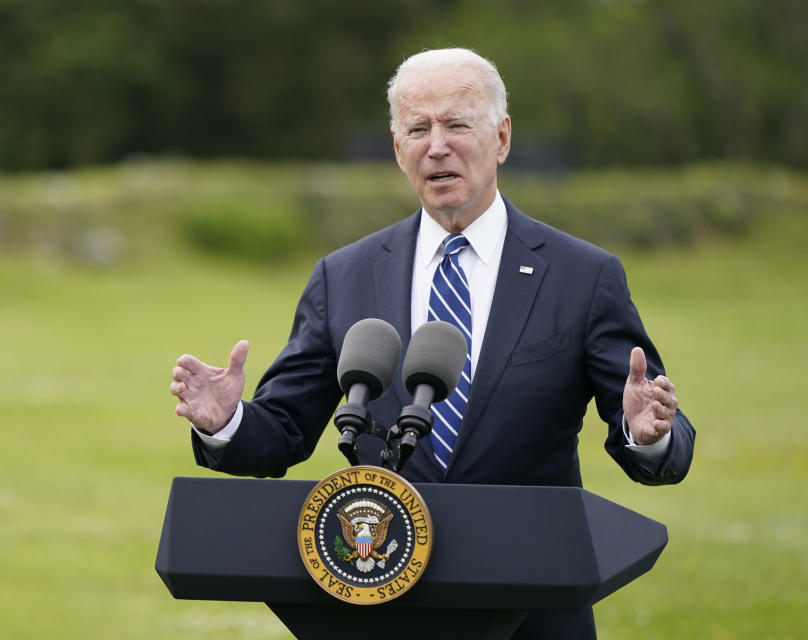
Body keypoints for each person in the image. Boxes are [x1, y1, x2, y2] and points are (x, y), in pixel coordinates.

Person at [169, 48, 694, 639]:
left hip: (533, 605)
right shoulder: (344, 276)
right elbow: (284, 429)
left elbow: (655, 431)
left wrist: (650, 434)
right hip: (379, 597)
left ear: (501, 137)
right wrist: (227, 422)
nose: (436, 146)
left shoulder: (583, 275)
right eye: (417, 129)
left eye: (456, 124)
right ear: (398, 150)